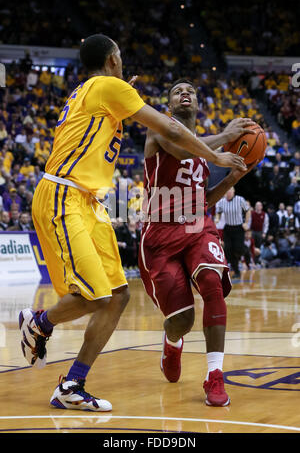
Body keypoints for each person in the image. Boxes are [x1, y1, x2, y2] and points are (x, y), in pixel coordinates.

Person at [19, 35, 248, 412]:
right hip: (65, 194)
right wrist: (219, 152)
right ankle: (40, 321)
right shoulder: (109, 87)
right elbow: (172, 132)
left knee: (118, 297)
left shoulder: (100, 92)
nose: (124, 65)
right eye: (121, 58)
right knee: (96, 296)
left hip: (90, 201)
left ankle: (72, 384)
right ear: (112, 60)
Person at [138, 79, 255, 407]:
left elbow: (202, 201)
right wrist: (225, 140)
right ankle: (172, 341)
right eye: (177, 91)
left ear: (197, 103)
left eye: (189, 91)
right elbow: (179, 143)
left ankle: (214, 375)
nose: (184, 93)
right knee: (183, 320)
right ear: (170, 103)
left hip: (197, 227)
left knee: (211, 283)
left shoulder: (204, 154)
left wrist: (231, 180)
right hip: (159, 236)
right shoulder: (158, 128)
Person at [215, 187, 251, 279]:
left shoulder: (240, 200)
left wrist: (246, 223)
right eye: (226, 191)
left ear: (233, 191)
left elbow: (248, 211)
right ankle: (236, 271)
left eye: (230, 191)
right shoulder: (222, 202)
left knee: (238, 249)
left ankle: (246, 251)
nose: (228, 193)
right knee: (229, 251)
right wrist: (217, 218)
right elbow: (218, 212)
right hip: (228, 228)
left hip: (238, 228)